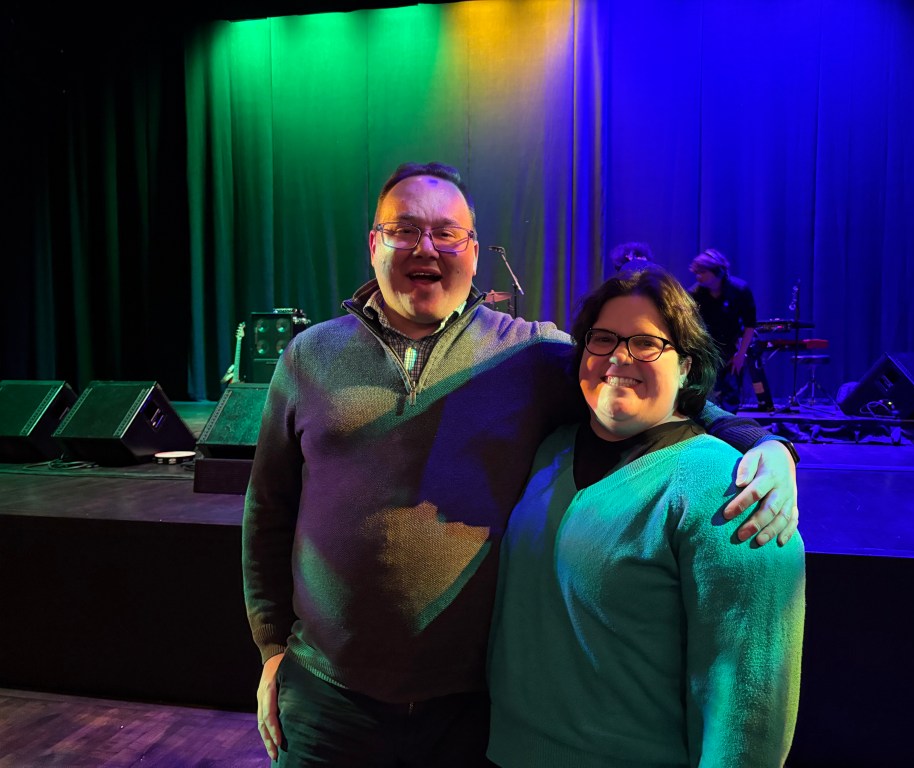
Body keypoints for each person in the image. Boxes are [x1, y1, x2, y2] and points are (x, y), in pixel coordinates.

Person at [242, 162, 801, 766]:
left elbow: (637, 378)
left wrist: (765, 444)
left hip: (472, 711)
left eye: (446, 233)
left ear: (474, 252)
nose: (426, 247)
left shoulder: (530, 354)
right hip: (327, 701)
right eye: (404, 230)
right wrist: (274, 649)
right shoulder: (310, 357)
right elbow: (268, 512)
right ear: (374, 245)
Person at [487, 266, 805, 767]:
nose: (619, 357)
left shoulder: (731, 489)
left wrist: (769, 444)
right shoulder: (551, 449)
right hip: (504, 752)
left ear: (686, 366)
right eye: (604, 339)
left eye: (646, 344)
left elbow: (748, 711)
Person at [689, 248, 758, 413]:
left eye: (702, 272)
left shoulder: (740, 290)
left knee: (731, 395)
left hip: (731, 348)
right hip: (705, 348)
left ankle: (728, 429)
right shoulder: (696, 293)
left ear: (718, 272)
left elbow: (750, 324)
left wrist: (740, 355)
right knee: (702, 393)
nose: (698, 277)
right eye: (696, 273)